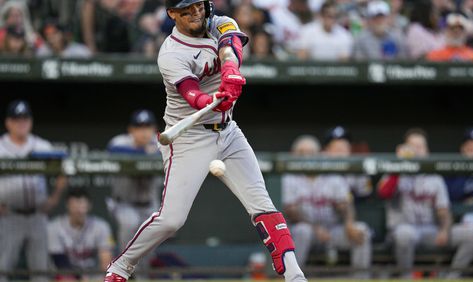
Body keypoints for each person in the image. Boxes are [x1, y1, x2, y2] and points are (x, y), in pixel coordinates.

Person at [104, 1, 307, 282]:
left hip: (228, 132)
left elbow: (230, 43)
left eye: (198, 5)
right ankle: (120, 267)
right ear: (172, 14)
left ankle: (295, 276)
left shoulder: (219, 22)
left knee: (263, 206)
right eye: (186, 9)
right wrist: (211, 100)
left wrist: (230, 70)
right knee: (172, 219)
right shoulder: (171, 53)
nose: (196, 12)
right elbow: (192, 94)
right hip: (189, 136)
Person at [377, 128, 473, 279]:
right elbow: (383, 193)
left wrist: (445, 229)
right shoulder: (395, 172)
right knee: (405, 234)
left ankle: (451, 278)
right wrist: (399, 165)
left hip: (430, 231)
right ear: (405, 149)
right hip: (404, 229)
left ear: (427, 151)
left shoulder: (435, 178)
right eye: (413, 147)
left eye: (421, 147)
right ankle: (407, 278)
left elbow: (443, 209)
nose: (418, 151)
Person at [282, 135, 372, 278]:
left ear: (320, 154)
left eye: (311, 153)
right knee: (302, 231)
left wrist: (349, 223)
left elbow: (345, 204)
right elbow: (291, 211)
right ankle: (293, 279)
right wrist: (315, 228)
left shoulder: (332, 175)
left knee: (361, 230)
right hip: (304, 231)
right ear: (293, 155)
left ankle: (360, 278)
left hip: (332, 230)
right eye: (302, 153)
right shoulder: (289, 177)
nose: (307, 157)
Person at [0, 100, 67, 282]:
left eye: (25, 119)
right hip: (9, 216)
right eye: (16, 119)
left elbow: (64, 170)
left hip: (37, 215)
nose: (21, 123)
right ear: (8, 123)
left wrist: (54, 199)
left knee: (40, 273)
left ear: (30, 121)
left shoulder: (42, 146)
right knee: (3, 269)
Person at [106, 109, 163, 275]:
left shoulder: (160, 143)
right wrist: (145, 153)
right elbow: (114, 151)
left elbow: (169, 153)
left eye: (147, 127)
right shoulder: (120, 142)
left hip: (149, 205)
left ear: (154, 129)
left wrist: (153, 152)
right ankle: (124, 275)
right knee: (129, 229)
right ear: (131, 129)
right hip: (124, 203)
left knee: (147, 251)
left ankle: (141, 277)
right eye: (139, 127)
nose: (143, 131)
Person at [48, 188, 114, 280]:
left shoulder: (101, 226)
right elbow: (60, 262)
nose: (79, 211)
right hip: (66, 274)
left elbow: (106, 260)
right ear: (67, 206)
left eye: (82, 206)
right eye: (75, 206)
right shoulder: (54, 227)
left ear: (89, 206)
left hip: (93, 274)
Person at [323, 126, 373, 200]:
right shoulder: (320, 168)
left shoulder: (357, 167)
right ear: (327, 150)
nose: (340, 153)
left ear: (350, 150)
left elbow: (365, 194)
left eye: (344, 148)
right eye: (336, 148)